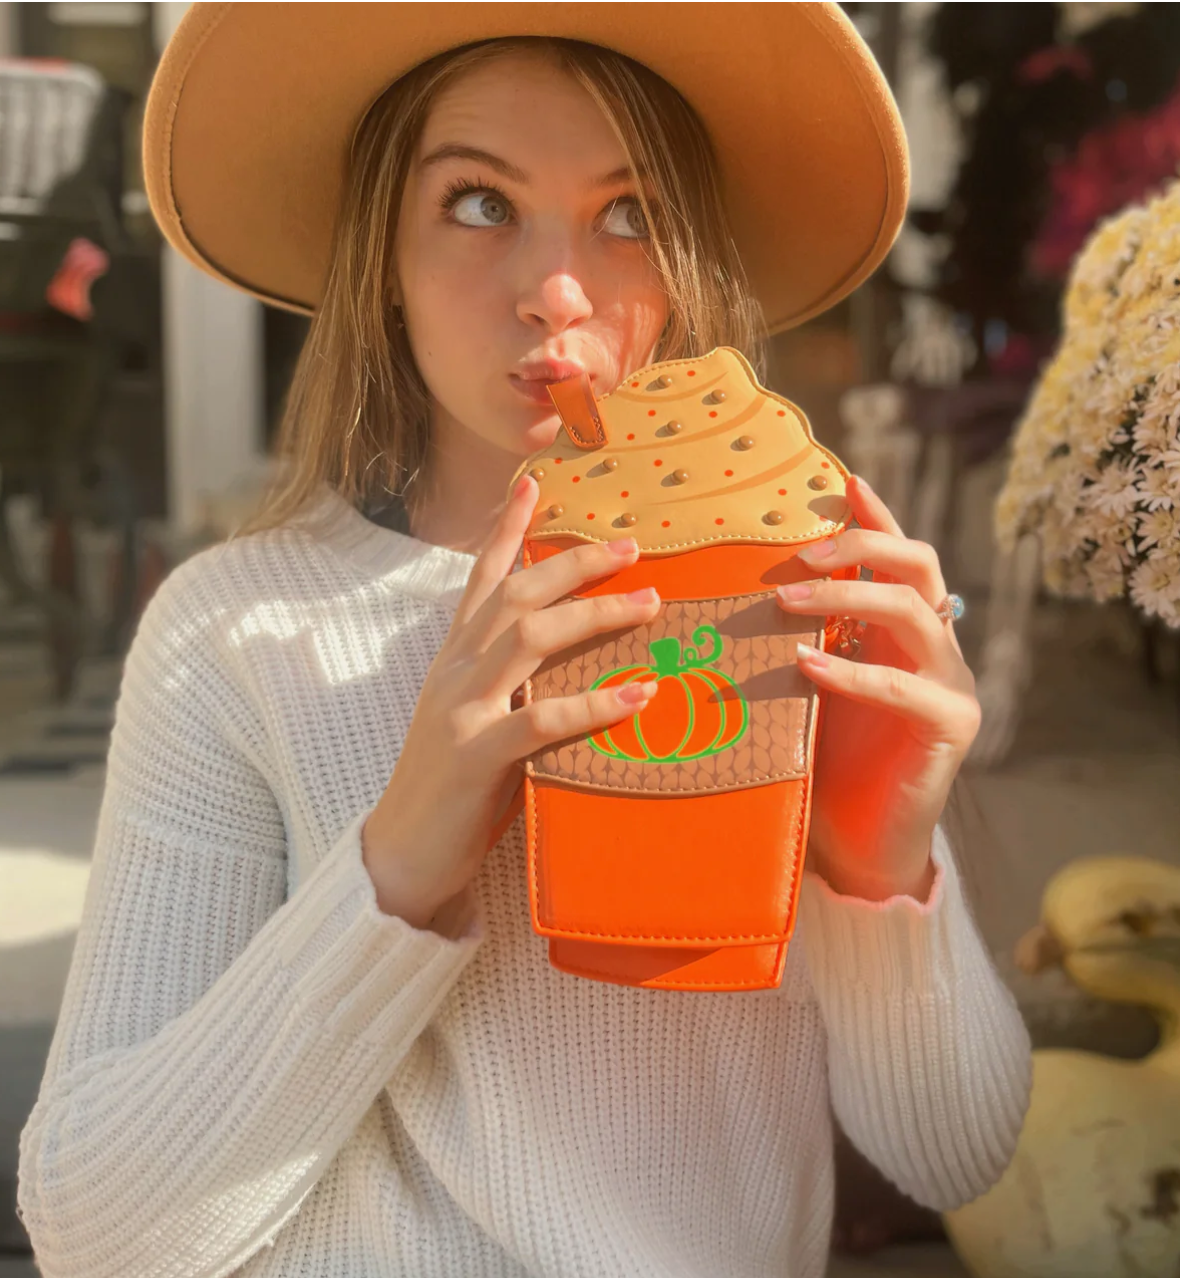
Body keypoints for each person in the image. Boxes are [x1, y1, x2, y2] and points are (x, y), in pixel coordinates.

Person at [17, 7, 1033, 1276]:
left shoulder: (794, 598)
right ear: (377, 249)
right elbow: (97, 1234)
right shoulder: (239, 633)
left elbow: (958, 1155)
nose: (557, 294)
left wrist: (874, 865)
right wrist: (397, 864)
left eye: (631, 213)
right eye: (479, 203)